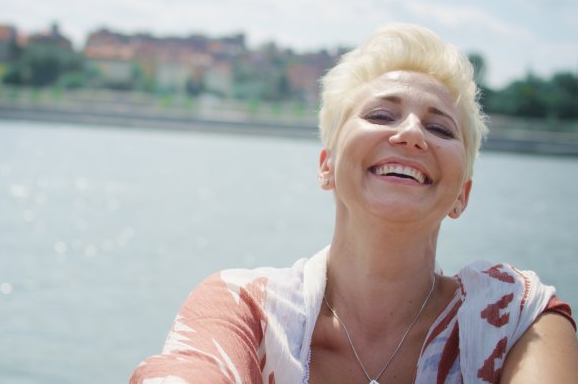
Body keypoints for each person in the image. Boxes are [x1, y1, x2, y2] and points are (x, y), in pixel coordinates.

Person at [130, 23, 578, 383]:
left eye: (440, 128)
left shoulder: (516, 319)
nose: (411, 134)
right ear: (327, 166)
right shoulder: (245, 309)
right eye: (380, 115)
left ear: (461, 194)